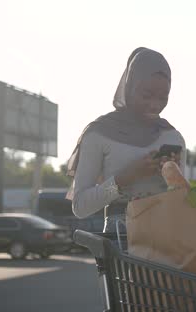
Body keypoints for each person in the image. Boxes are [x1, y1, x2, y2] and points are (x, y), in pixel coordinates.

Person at [66, 47, 186, 233]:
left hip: (166, 242)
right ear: (129, 87)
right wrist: (124, 179)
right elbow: (81, 207)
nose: (155, 105)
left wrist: (174, 179)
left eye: (163, 97)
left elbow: (181, 200)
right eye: (146, 95)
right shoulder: (99, 133)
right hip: (121, 245)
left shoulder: (173, 136)